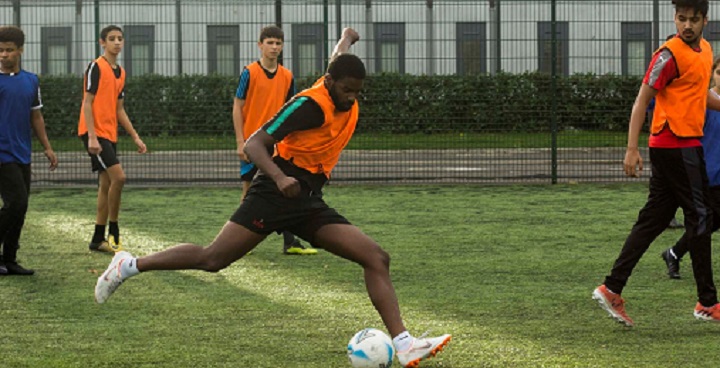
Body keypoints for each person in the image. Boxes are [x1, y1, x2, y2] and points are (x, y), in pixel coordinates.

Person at [94, 27, 451, 367]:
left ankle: (403, 344)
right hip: (276, 192)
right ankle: (129, 265)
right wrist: (279, 178)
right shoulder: (309, 106)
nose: (350, 98)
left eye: (356, 92)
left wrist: (345, 40)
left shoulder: (337, 84)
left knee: (376, 257)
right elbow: (254, 144)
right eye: (345, 91)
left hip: (308, 200)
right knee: (213, 259)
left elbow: (336, 61)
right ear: (330, 84)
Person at [592, 0, 720, 327]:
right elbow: (641, 100)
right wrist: (631, 148)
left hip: (679, 146)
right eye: (681, 19)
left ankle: (611, 288)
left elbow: (698, 94)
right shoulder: (667, 55)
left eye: (693, 19)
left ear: (705, 19)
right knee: (701, 216)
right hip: (676, 145)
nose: (687, 25)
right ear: (674, 18)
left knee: (655, 218)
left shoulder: (705, 51)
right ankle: (708, 303)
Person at [233, 25, 316, 255]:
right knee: (250, 192)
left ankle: (291, 242)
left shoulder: (287, 76)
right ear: (260, 45)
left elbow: (291, 111)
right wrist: (241, 142)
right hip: (253, 144)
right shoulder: (249, 72)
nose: (274, 47)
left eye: (278, 43)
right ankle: (235, 241)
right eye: (269, 42)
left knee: (283, 189)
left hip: (277, 145)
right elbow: (237, 107)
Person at [78, 25, 147, 253]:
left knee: (106, 183)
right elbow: (87, 103)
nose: (117, 42)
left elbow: (119, 110)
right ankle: (114, 230)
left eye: (120, 38)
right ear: (102, 43)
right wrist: (92, 137)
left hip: (109, 133)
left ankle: (97, 239)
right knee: (119, 178)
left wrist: (135, 136)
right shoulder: (95, 67)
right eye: (111, 39)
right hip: (94, 133)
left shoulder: (121, 72)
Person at [0, 26, 58, 275]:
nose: (3, 55)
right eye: (0, 50)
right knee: (16, 202)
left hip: (23, 152)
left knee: (21, 208)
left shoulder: (31, 80)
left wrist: (47, 147)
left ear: (20, 51)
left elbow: (36, 116)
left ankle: (9, 260)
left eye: (9, 50)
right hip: (2, 153)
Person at [660, 54, 720, 279]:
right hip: (706, 174)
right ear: (712, 74)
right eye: (719, 72)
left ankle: (674, 253)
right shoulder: (704, 103)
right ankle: (676, 254)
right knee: (706, 222)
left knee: (709, 222)